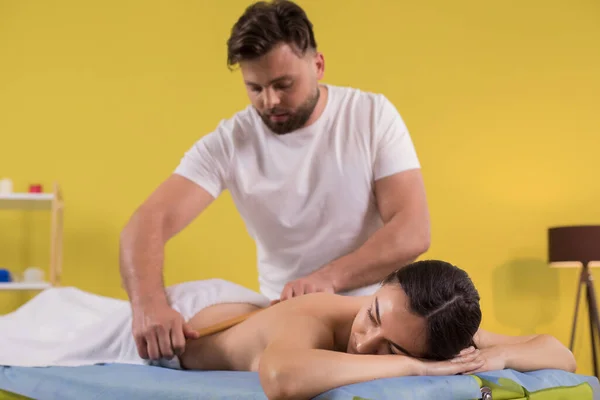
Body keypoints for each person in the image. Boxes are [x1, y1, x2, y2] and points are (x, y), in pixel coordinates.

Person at [119, 0, 431, 362]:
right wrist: (148, 306)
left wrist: (327, 280)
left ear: (318, 65)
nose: (269, 101)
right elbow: (146, 222)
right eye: (255, 88)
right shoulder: (230, 142)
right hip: (286, 315)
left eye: (284, 84)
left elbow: (412, 230)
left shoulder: (372, 116)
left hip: (375, 310)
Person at [174, 260, 576, 400]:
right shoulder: (315, 315)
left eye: (392, 349)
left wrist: (498, 356)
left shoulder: (430, 326)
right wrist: (411, 368)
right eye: (372, 315)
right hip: (185, 319)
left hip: (251, 315)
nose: (364, 343)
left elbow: (561, 354)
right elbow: (281, 378)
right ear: (382, 287)